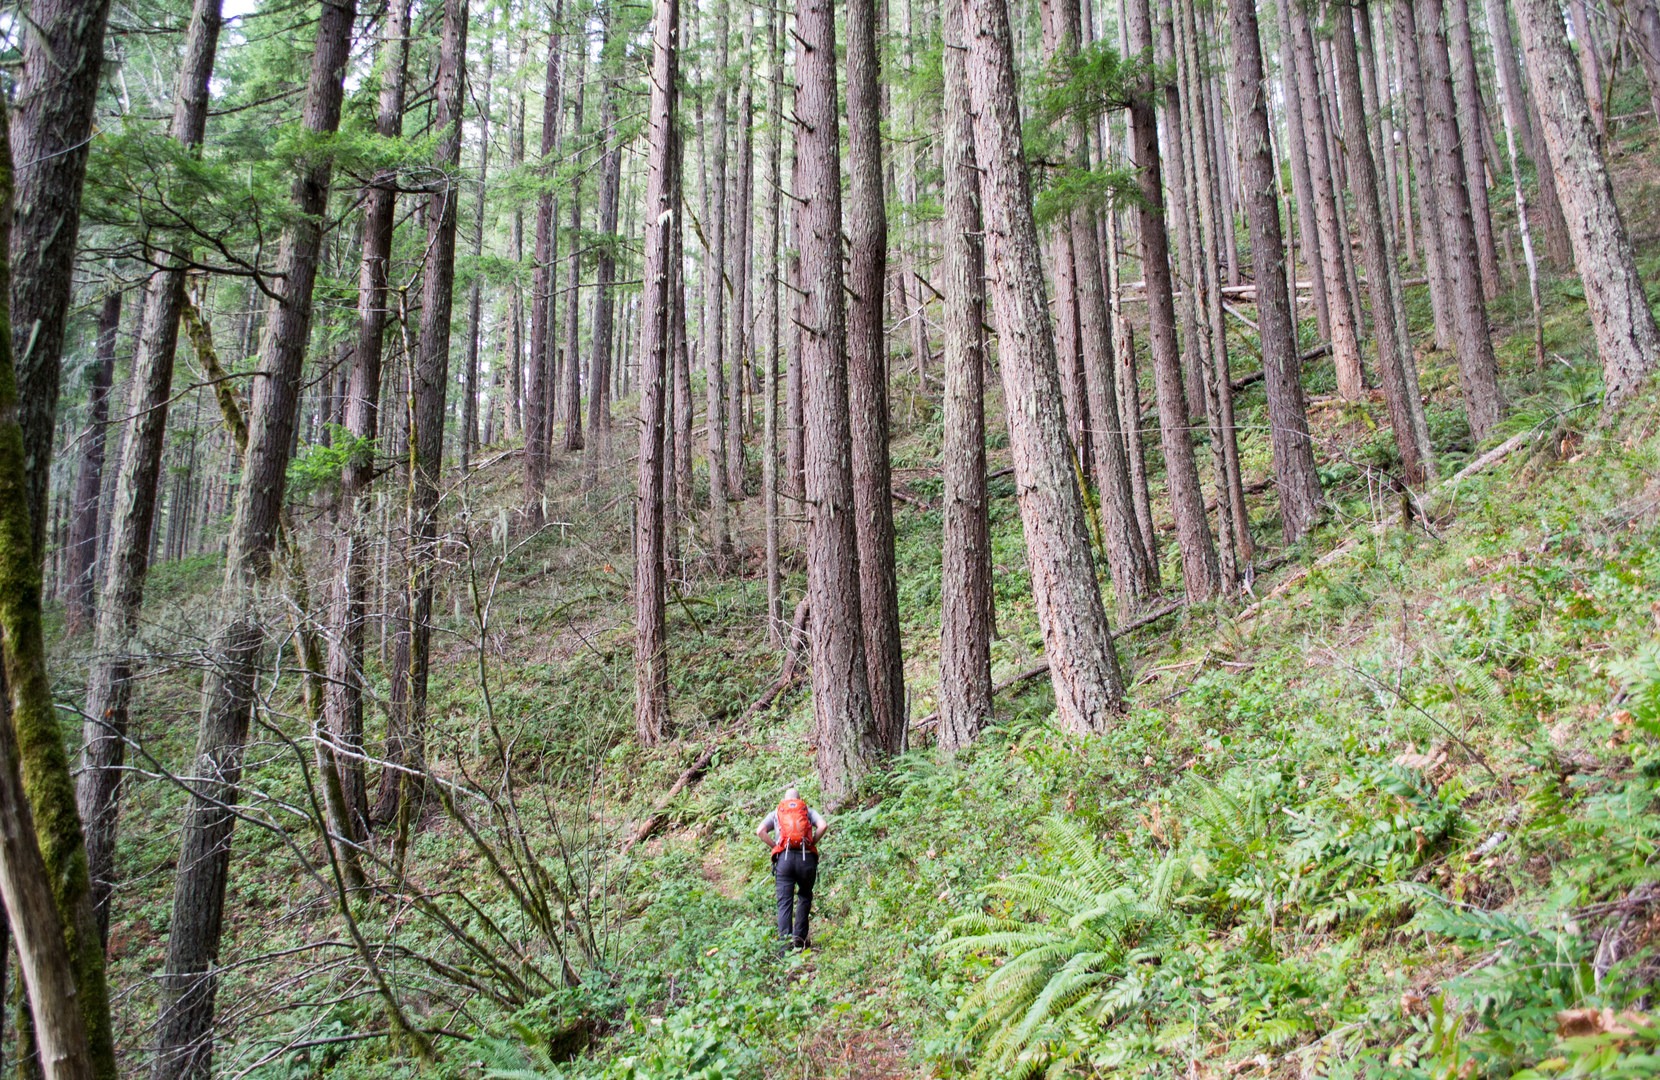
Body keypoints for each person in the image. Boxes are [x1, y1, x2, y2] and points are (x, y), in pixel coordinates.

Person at [756, 787, 828, 949]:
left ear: (785, 799)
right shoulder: (807, 811)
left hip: (785, 861)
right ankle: (799, 940)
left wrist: (776, 847)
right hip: (806, 859)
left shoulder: (777, 812)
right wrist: (812, 843)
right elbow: (823, 826)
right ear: (799, 799)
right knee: (804, 896)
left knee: (784, 903)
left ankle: (785, 949)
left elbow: (760, 831)